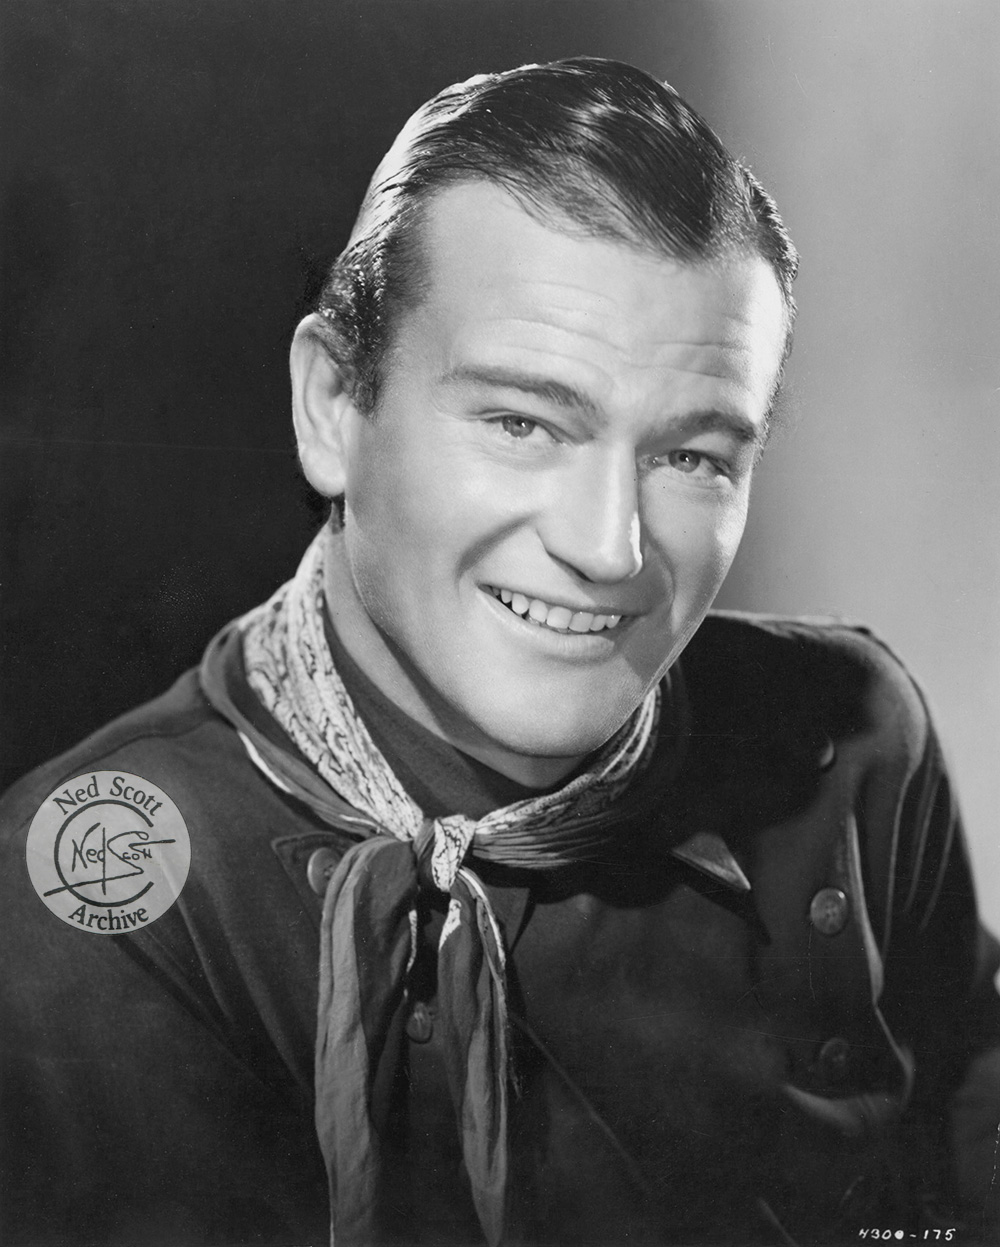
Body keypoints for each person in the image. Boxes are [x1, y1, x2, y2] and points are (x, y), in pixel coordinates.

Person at [1, 57, 997, 1247]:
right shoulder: (102, 891)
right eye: (522, 422)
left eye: (691, 457)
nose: (607, 545)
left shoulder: (850, 735)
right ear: (333, 406)